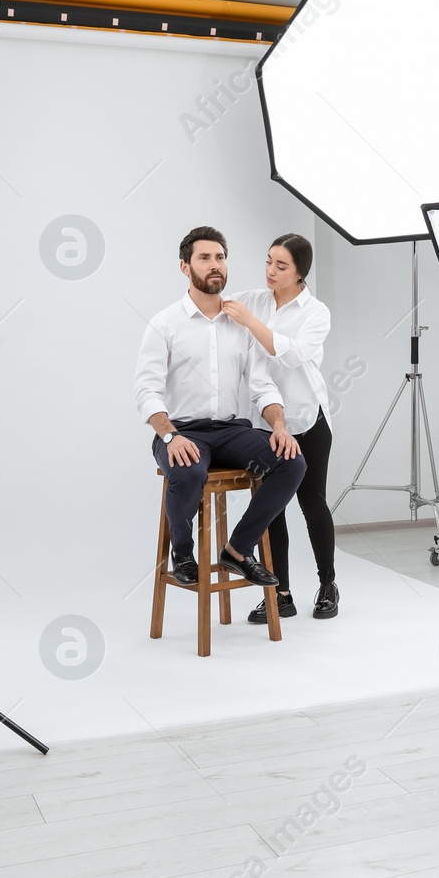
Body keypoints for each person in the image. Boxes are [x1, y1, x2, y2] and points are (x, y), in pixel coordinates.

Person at [135, 226, 306, 591]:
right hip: (180, 430)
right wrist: (169, 435)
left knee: (291, 462)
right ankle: (183, 553)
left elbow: (262, 385)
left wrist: (278, 425)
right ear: (185, 267)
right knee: (189, 471)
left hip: (232, 431)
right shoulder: (164, 324)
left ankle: (237, 549)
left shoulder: (239, 323)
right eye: (205, 258)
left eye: (220, 257)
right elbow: (146, 391)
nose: (215, 265)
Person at [221, 233, 338, 622]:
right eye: (268, 261)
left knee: (312, 504)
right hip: (265, 424)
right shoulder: (254, 298)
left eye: (281, 266)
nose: (271, 271)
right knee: (272, 511)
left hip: (307, 420)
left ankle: (327, 585)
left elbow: (291, 355)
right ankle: (280, 593)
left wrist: (251, 323)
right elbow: (212, 302)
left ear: (301, 272)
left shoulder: (316, 313)